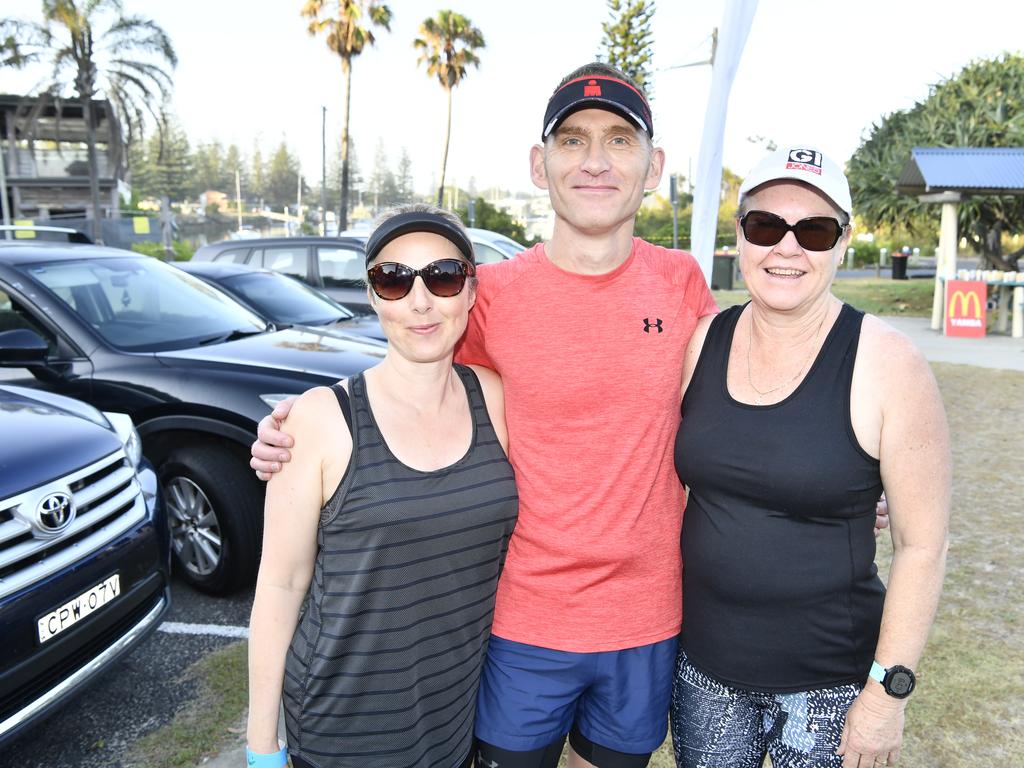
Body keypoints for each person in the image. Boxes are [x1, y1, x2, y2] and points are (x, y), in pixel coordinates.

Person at [251, 66, 887, 768]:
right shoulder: (489, 293)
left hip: (649, 620)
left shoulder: (681, 284)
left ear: (654, 167)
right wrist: (296, 427)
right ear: (538, 163)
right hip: (522, 622)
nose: (594, 161)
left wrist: (848, 481)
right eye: (573, 140)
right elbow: (408, 369)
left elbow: (749, 404)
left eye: (619, 140)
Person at [670, 147, 950, 768]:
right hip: (703, 673)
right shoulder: (702, 341)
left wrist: (887, 697)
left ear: (842, 244)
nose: (787, 248)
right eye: (766, 226)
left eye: (814, 230)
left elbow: (922, 545)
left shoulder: (890, 365)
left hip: (830, 689)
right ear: (740, 237)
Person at [245, 204, 519, 768]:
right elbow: (280, 585)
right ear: (372, 296)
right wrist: (261, 747)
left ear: (470, 290)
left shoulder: (494, 398)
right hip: (341, 728)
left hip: (453, 718)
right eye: (393, 280)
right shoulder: (320, 420)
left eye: (442, 277)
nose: (420, 301)